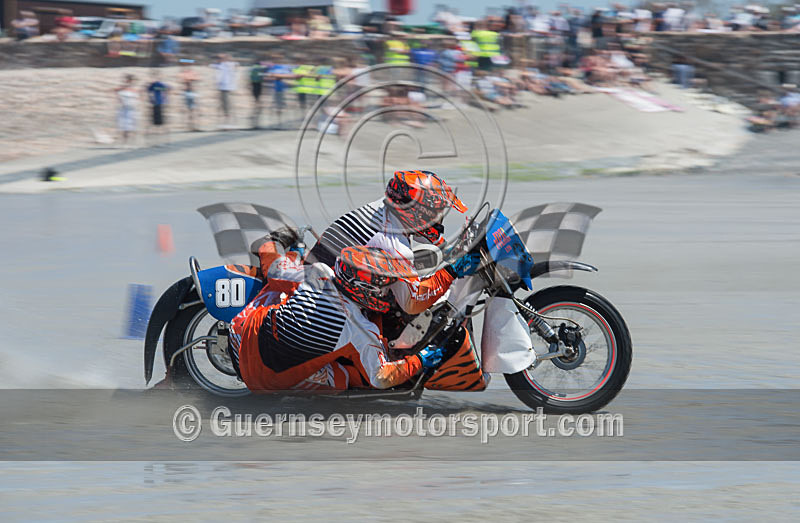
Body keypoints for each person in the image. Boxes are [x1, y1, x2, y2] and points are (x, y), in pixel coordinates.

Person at [305, 170, 481, 316]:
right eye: (436, 214)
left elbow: (428, 235)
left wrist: (452, 248)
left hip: (313, 281)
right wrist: (453, 269)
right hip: (324, 307)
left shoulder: (385, 207)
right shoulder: (393, 244)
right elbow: (413, 303)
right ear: (419, 213)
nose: (438, 221)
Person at [212, 54, 238, 128]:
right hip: (221, 88)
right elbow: (200, 62)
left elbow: (236, 64)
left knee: (227, 105)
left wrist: (228, 60)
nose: (219, 59)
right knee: (223, 105)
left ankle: (228, 122)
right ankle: (224, 122)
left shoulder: (229, 65)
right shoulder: (218, 65)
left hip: (227, 88)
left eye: (221, 58)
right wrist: (184, 60)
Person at [115, 74, 139, 148]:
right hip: (124, 108)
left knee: (131, 126)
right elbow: (116, 92)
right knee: (123, 126)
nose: (127, 81)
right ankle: (124, 143)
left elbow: (136, 97)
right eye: (127, 80)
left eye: (129, 80)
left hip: (131, 109)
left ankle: (132, 143)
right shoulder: (122, 89)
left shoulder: (133, 89)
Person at [146, 71, 170, 144]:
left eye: (155, 77)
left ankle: (164, 139)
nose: (154, 78)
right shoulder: (152, 85)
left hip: (160, 104)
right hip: (154, 105)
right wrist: (150, 99)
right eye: (153, 77)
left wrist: (165, 99)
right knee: (154, 122)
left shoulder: (159, 84)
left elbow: (167, 90)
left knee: (161, 122)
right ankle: (155, 140)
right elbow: (148, 92)